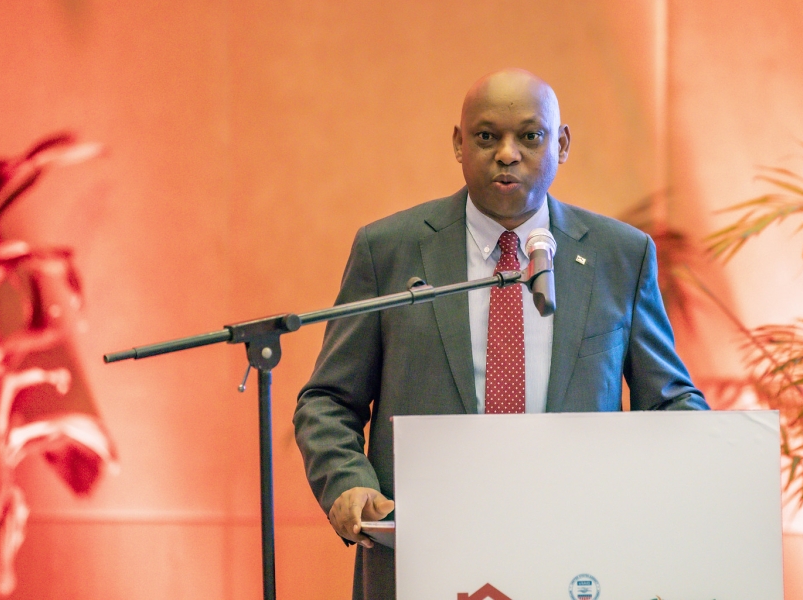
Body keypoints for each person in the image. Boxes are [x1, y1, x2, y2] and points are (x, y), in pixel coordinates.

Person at [293, 68, 708, 600]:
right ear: (459, 145)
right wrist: (347, 481)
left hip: (576, 559)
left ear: (561, 145)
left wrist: (719, 454)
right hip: (425, 554)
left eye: (529, 136)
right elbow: (327, 399)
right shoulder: (389, 250)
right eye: (487, 137)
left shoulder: (618, 256)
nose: (507, 153)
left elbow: (668, 401)